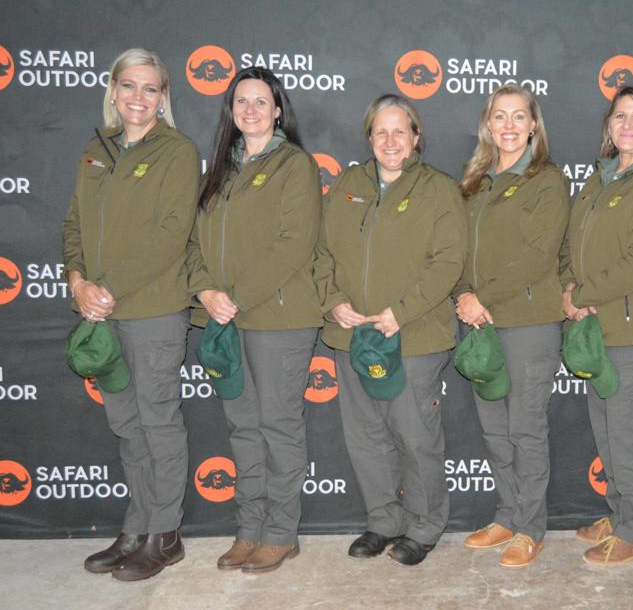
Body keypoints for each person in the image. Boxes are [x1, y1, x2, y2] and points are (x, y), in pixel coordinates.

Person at [63, 48, 199, 581]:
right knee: (126, 423)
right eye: (129, 85)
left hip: (153, 310)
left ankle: (165, 535)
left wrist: (108, 288)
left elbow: (171, 233)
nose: (138, 97)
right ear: (113, 90)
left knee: (157, 421)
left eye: (150, 88)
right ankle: (136, 527)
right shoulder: (95, 150)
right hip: (101, 313)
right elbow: (74, 223)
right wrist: (78, 281)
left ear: (163, 98)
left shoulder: (177, 151)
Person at [315, 94, 467, 566]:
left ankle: (424, 525)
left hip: (412, 336)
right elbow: (320, 252)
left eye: (400, 130)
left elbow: (449, 262)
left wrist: (400, 312)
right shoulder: (346, 185)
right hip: (353, 337)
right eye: (381, 131)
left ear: (416, 137)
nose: (390, 140)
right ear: (369, 138)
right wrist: (332, 301)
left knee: (416, 437)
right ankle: (384, 520)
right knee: (367, 437)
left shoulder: (438, 189)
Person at [186, 66, 322, 574]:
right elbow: (192, 241)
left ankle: (281, 533)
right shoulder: (219, 169)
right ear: (231, 110)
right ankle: (249, 528)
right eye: (241, 100)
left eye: (261, 101)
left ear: (278, 110)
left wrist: (235, 297)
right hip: (225, 319)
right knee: (242, 426)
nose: (250, 109)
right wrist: (205, 290)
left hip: (278, 318)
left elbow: (294, 243)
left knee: (278, 426)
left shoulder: (295, 165)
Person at [560, 86, 633, 566]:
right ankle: (619, 513)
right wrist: (569, 287)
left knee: (628, 435)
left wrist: (582, 295)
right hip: (595, 329)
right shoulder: (598, 179)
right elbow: (570, 247)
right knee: (607, 434)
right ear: (609, 126)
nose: (627, 125)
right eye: (620, 116)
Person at [455, 84, 570, 568]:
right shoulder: (475, 180)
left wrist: (483, 296)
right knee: (495, 431)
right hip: (479, 322)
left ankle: (531, 527)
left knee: (525, 429)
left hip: (527, 322)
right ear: (488, 124)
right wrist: (463, 295)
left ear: (533, 125)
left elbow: (538, 255)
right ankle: (507, 514)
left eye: (518, 116)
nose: (508, 125)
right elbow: (456, 248)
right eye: (499, 116)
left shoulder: (547, 180)